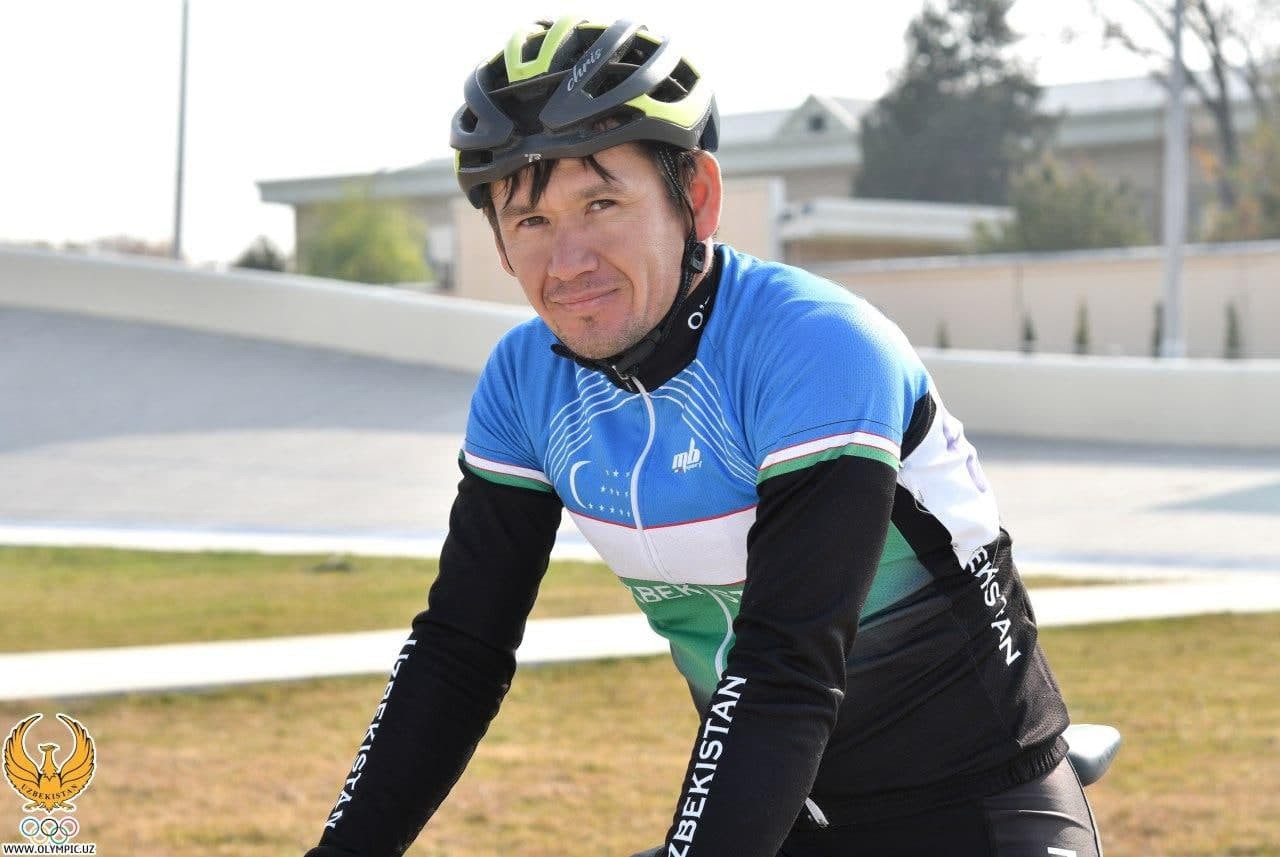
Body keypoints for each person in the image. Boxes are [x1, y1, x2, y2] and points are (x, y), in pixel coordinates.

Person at [303, 16, 1103, 857]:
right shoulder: (525, 380)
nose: (568, 261)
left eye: (601, 204)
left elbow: (784, 668)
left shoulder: (815, 347)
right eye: (530, 220)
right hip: (785, 813)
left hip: (981, 803)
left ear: (698, 197)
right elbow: (458, 652)